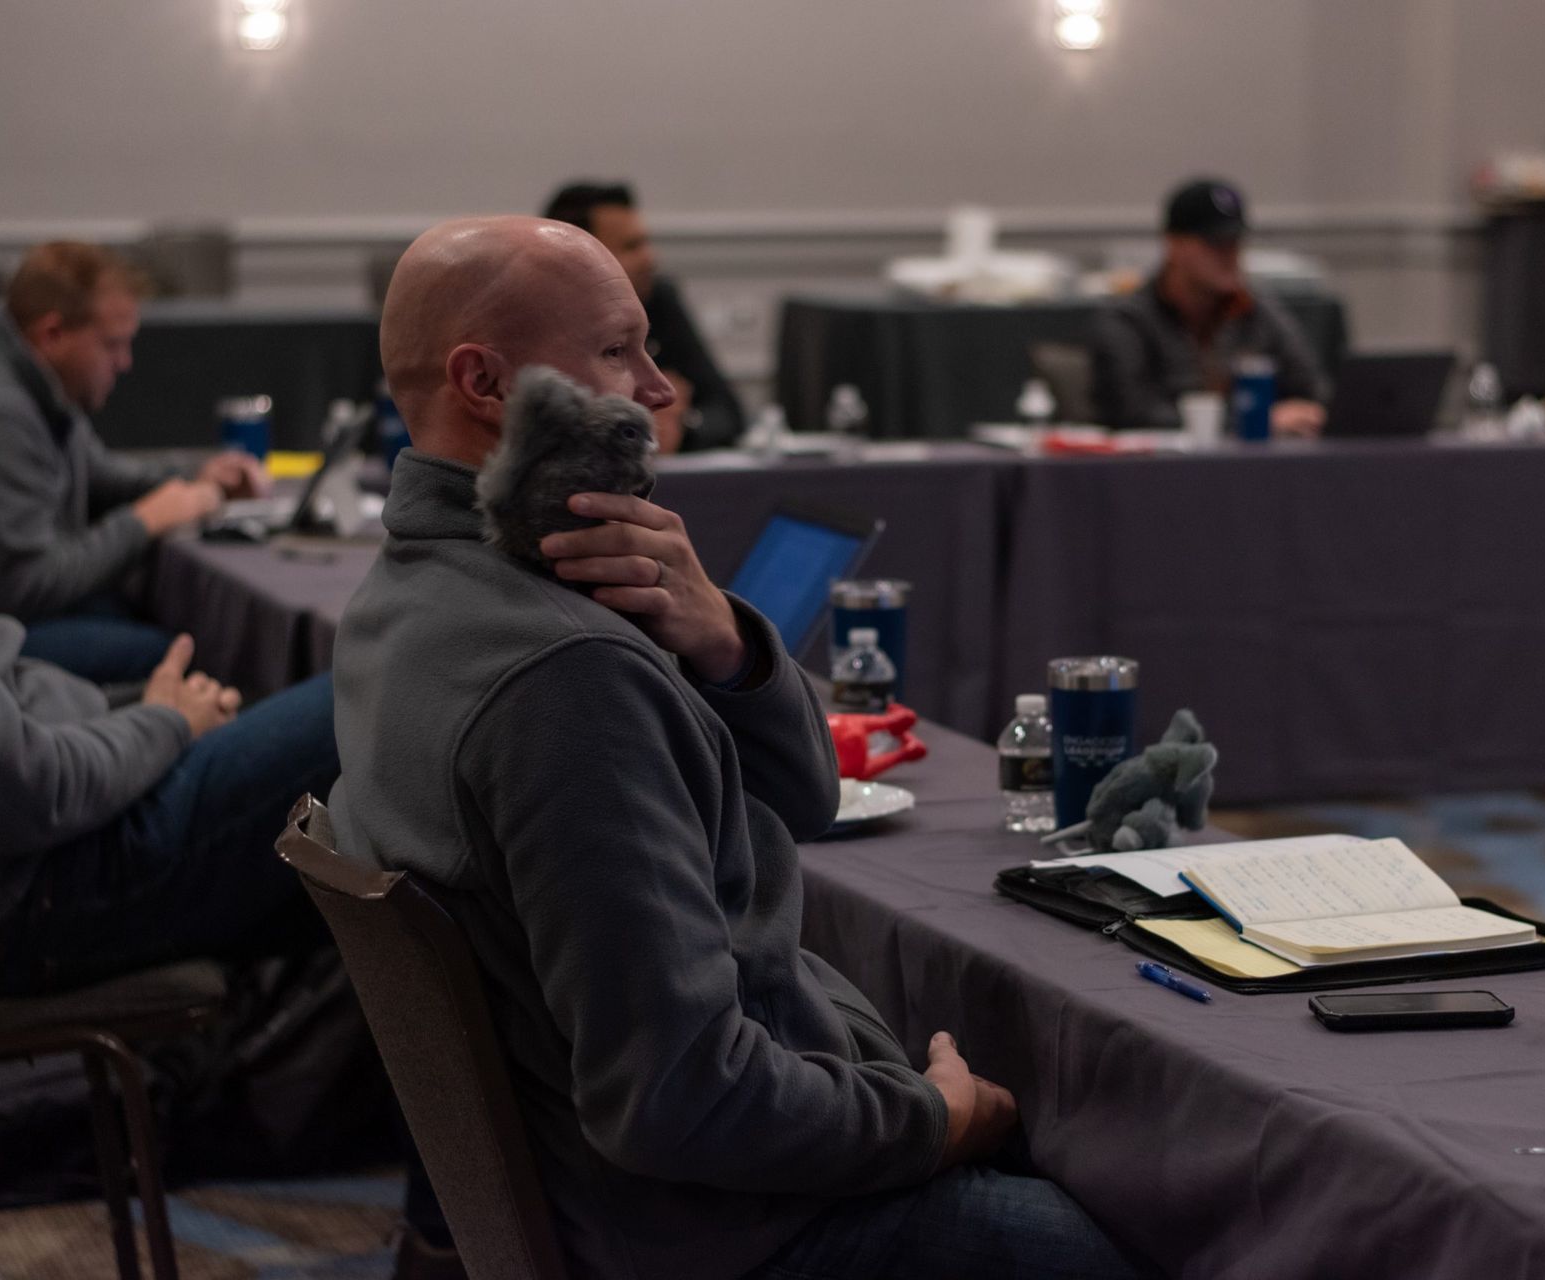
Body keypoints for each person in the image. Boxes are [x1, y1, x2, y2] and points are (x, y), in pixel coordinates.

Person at [330, 216, 1150, 1280]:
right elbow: (679, 1098)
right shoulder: (564, 675)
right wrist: (927, 1122)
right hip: (716, 1229)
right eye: (619, 351)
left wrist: (725, 638)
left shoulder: (410, 596)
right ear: (484, 381)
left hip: (615, 1189)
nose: (661, 389)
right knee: (1145, 1220)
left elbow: (807, 796)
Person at [0, 281, 338, 1000]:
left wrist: (140, 712)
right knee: (376, 698)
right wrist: (161, 724)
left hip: (10, 863)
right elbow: (28, 793)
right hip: (18, 901)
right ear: (55, 332)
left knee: (344, 838)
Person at [0, 241, 267, 682]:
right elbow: (26, 588)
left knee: (177, 623)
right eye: (112, 346)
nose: (124, 364)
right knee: (192, 654)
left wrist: (197, 476)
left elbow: (101, 477)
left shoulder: (35, 381)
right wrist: (146, 520)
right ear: (52, 334)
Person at [1092, 178, 1328, 437]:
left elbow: (1313, 390)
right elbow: (1133, 413)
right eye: (1215, 243)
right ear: (1174, 245)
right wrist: (1252, 419)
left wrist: (1304, 413)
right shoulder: (1128, 321)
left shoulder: (1254, 311)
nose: (1229, 254)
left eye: (1235, 241)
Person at [543, 180, 746, 452]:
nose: (650, 258)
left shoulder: (658, 300)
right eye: (631, 246)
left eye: (645, 242)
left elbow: (727, 413)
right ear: (580, 255)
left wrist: (683, 427)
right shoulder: (541, 319)